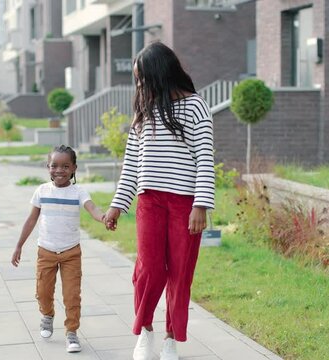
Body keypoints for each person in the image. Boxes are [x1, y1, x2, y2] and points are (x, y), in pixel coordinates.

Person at [103, 42, 215, 360]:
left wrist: (201, 205)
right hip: (149, 202)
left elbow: (205, 159)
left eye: (142, 79)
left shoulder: (196, 107)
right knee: (149, 269)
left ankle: (169, 338)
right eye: (137, 80)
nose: (140, 85)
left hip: (184, 204)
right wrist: (116, 206)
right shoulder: (143, 113)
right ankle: (146, 331)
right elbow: (131, 169)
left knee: (180, 274)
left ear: (160, 74)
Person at [11, 145, 105, 353]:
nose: (59, 170)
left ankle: (72, 333)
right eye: (54, 165)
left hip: (71, 252)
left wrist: (104, 218)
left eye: (65, 166)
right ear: (48, 167)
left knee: (72, 295)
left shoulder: (78, 191)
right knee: (43, 292)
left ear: (74, 168)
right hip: (46, 251)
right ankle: (47, 314)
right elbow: (31, 219)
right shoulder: (42, 191)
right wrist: (19, 245)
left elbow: (92, 208)